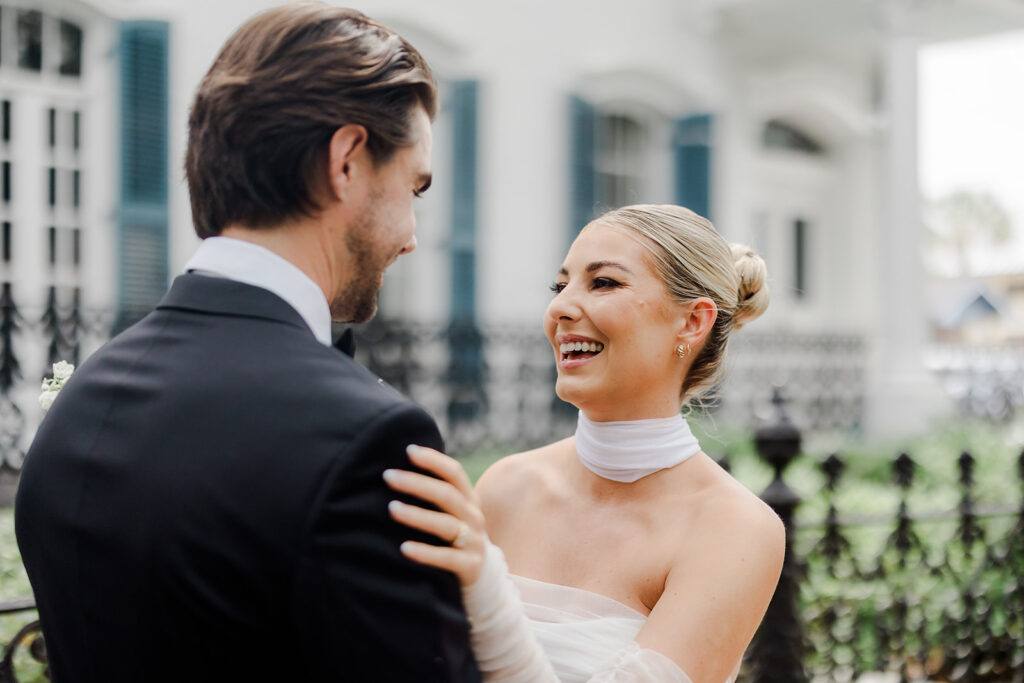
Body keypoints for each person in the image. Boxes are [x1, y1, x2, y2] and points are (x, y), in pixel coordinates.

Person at [15, 4, 479, 682]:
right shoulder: (365, 437)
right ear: (347, 160)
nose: (412, 235)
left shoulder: (80, 399)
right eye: (413, 186)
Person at [385, 204, 785, 682]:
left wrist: (487, 597)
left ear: (692, 322)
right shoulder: (507, 486)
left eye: (604, 283)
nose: (559, 309)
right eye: (560, 286)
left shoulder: (735, 529)